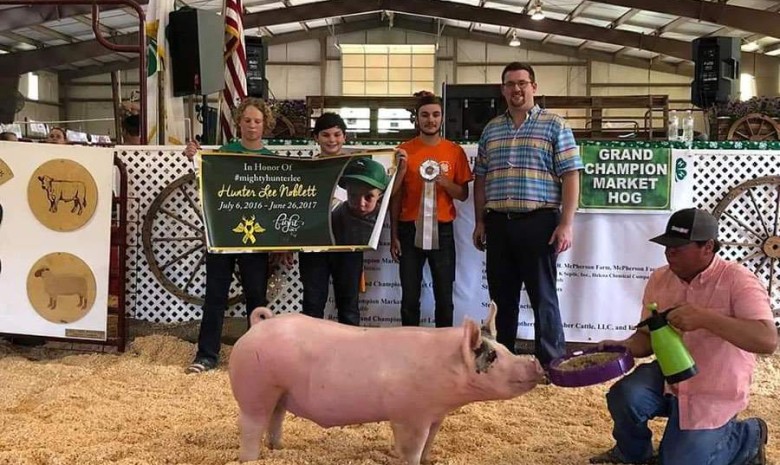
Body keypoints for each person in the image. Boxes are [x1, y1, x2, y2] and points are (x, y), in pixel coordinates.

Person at [590, 208, 777, 465]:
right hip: (670, 375)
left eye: (679, 246)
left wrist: (705, 318)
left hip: (715, 386)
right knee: (625, 396)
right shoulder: (660, 278)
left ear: (708, 247)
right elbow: (646, 337)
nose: (669, 253)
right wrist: (624, 347)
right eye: (667, 245)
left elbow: (767, 340)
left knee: (680, 461)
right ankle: (633, 454)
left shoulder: (738, 280)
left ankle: (748, 436)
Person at [472, 62, 583, 365]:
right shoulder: (491, 129)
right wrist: (480, 220)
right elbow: (481, 178)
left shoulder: (554, 125)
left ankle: (551, 362)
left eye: (522, 83)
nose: (516, 89)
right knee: (501, 298)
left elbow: (571, 175)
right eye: (510, 84)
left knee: (543, 296)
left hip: (540, 222)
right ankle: (501, 359)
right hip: (498, 222)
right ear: (502, 90)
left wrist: (566, 223)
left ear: (534, 87)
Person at [182, 97, 290, 374]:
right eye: (247, 120)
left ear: (265, 125)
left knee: (256, 297)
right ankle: (206, 355)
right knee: (215, 296)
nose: (252, 126)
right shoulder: (222, 154)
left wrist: (281, 241)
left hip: (257, 240)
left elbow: (279, 203)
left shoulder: (272, 161)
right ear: (238, 123)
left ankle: (260, 356)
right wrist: (194, 156)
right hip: (222, 237)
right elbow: (205, 184)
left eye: (257, 121)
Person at [390, 91, 472, 328]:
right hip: (408, 231)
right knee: (409, 298)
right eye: (424, 115)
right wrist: (393, 234)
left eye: (436, 114)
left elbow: (463, 195)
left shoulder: (454, 152)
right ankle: (409, 348)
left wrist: (445, 182)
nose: (430, 120)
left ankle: (444, 348)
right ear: (417, 119)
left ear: (442, 118)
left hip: (443, 231)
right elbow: (395, 197)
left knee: (445, 297)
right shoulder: (403, 151)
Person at [298, 112, 369, 326]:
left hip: (348, 244)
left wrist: (399, 167)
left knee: (348, 305)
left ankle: (348, 357)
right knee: (312, 304)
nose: (332, 140)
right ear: (316, 138)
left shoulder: (357, 168)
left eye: (337, 134)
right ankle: (310, 356)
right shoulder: (306, 170)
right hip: (313, 245)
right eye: (326, 135)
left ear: (345, 137)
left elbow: (380, 193)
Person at [331, 157, 389, 246]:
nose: (361, 204)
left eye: (368, 197)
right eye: (353, 195)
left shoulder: (387, 219)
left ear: (380, 196)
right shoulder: (335, 218)